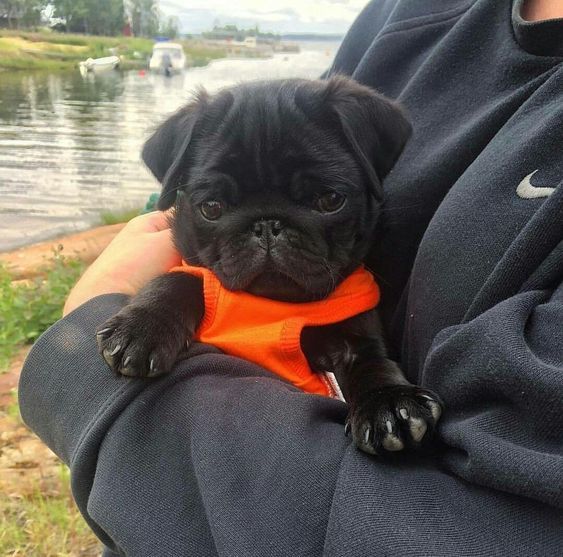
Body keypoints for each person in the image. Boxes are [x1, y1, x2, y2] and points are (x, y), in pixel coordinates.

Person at [19, 0, 563, 555]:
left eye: (324, 199)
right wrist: (149, 305)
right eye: (214, 207)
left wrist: (379, 393)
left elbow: (360, 353)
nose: (268, 236)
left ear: (375, 172)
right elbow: (186, 289)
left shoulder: (351, 298)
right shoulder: (405, 15)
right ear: (176, 194)